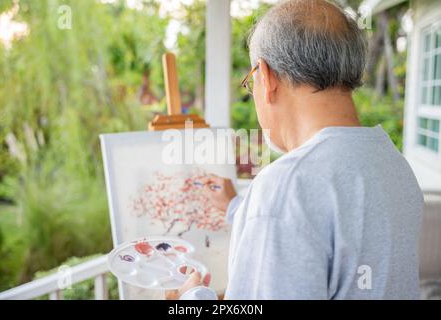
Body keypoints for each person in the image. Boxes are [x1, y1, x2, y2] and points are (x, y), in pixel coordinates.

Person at [166, 0, 423, 300]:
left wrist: (191, 298)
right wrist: (240, 208)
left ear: (267, 76)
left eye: (252, 82)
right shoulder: (393, 165)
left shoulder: (286, 187)